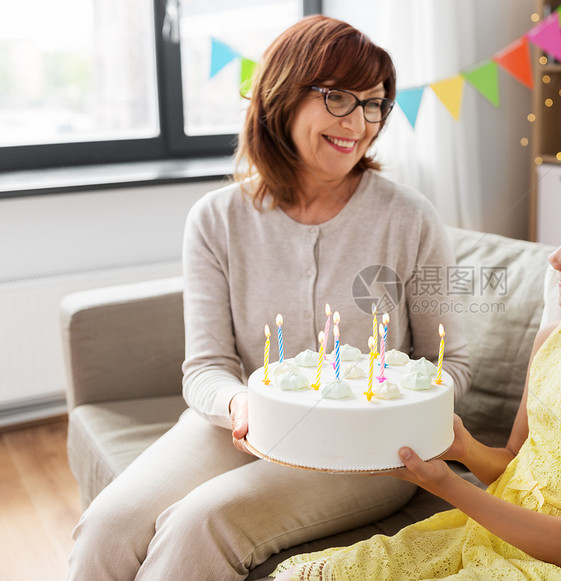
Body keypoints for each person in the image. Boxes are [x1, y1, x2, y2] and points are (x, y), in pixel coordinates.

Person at [67, 15, 469, 580]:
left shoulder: (410, 218)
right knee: (106, 527)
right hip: (237, 427)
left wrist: (403, 411)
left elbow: (457, 364)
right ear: (281, 96)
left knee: (196, 524)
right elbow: (206, 367)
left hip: (365, 452)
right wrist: (240, 406)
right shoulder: (215, 219)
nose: (359, 122)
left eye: (374, 104)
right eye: (338, 98)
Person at [272, 166, 561, 580]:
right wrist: (463, 448)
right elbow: (516, 463)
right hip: (497, 530)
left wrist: (445, 483)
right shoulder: (553, 340)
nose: (553, 260)